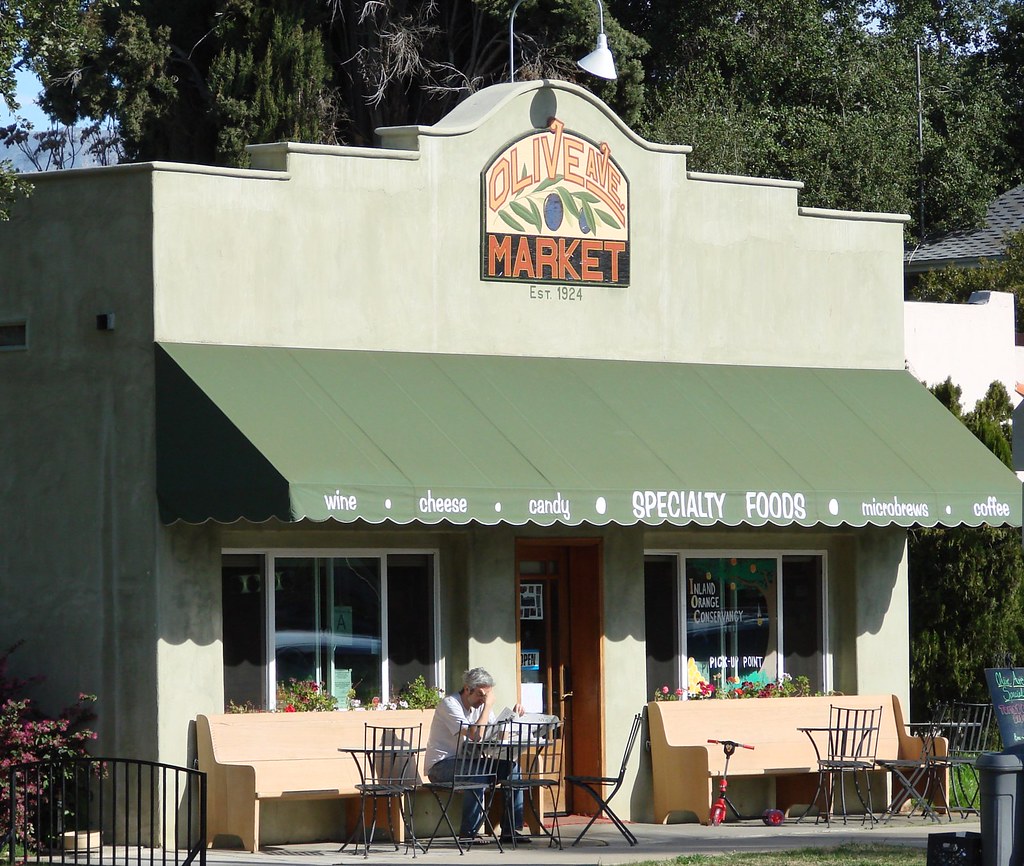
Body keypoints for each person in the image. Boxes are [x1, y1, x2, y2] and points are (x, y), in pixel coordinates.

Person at [424, 667, 529, 843]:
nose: (483, 700)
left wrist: (513, 717)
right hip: (442, 766)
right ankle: (469, 833)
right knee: (478, 775)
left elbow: (498, 734)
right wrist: (488, 706)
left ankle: (511, 830)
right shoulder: (450, 705)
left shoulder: (481, 707)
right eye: (480, 695)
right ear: (467, 689)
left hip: (470, 762)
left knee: (513, 769)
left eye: (486, 696)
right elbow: (476, 735)